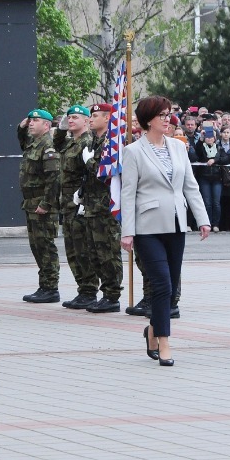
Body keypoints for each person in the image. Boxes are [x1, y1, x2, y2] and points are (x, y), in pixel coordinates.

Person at [120, 95, 210, 367]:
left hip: (176, 223)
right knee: (161, 284)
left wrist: (202, 219)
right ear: (148, 120)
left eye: (168, 114)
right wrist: (127, 231)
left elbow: (190, 185)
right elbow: (128, 193)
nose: (167, 119)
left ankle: (152, 330)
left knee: (171, 288)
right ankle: (164, 340)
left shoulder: (178, 147)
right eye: (161, 115)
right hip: (147, 227)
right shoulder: (134, 151)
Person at [54, 105, 101, 310]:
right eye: (69, 117)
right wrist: (61, 127)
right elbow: (57, 144)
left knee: (82, 249)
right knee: (72, 249)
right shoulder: (71, 142)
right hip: (67, 203)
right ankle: (83, 289)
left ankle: (89, 290)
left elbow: (90, 174)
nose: (71, 120)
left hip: (79, 203)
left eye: (75, 117)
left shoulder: (87, 142)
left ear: (86, 121)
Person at [82, 103, 126, 314]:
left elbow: (105, 172)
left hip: (106, 206)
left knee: (108, 252)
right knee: (95, 252)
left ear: (108, 118)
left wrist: (89, 161)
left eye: (96, 116)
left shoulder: (111, 143)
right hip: (92, 205)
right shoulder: (95, 140)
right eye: (91, 116)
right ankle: (105, 293)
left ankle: (112, 295)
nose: (91, 119)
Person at [18, 108, 61, 303]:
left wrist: (46, 203)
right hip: (31, 203)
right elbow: (22, 139)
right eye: (30, 121)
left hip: (43, 204)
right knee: (36, 246)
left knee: (45, 246)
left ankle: (51, 287)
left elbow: (54, 179)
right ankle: (44, 286)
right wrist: (21, 126)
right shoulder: (33, 144)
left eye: (36, 121)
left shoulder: (48, 147)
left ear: (46, 125)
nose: (31, 123)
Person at [194, 126, 226, 232]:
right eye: (207, 137)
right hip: (204, 177)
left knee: (216, 202)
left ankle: (216, 224)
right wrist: (201, 138)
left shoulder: (219, 147)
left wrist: (215, 160)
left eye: (211, 137)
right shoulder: (202, 147)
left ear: (214, 138)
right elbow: (197, 151)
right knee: (207, 202)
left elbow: (225, 158)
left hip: (217, 178)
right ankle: (207, 223)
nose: (209, 139)